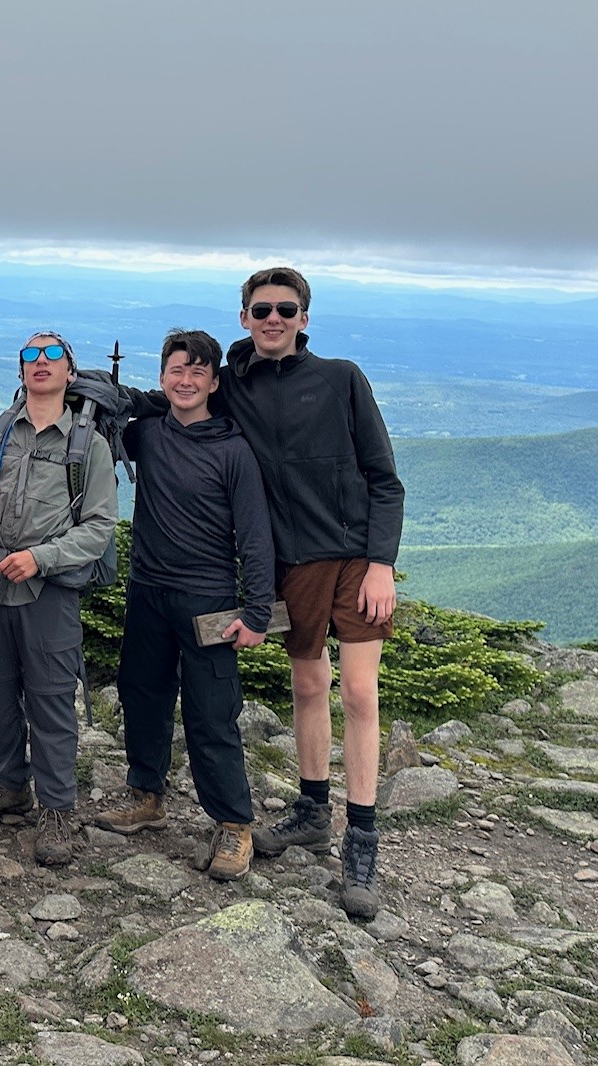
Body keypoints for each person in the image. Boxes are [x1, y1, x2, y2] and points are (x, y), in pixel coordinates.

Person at [217, 267, 404, 918]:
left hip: (353, 556)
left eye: (285, 309)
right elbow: (176, 396)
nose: (273, 318)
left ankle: (361, 841)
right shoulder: (231, 385)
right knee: (306, 685)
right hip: (290, 560)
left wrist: (381, 564)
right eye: (261, 309)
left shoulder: (341, 378)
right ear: (244, 317)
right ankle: (311, 810)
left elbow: (384, 478)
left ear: (303, 318)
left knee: (357, 692)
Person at [94, 330, 274, 881]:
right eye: (177, 369)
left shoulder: (234, 450)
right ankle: (147, 795)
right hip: (148, 588)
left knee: (210, 711)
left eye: (198, 371)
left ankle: (234, 823)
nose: (186, 380)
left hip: (209, 599)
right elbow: (99, 428)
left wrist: (257, 611)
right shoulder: (147, 433)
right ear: (163, 377)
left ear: (215, 383)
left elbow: (255, 535)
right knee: (141, 693)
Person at [0, 331, 117, 866]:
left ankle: (58, 809)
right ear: (20, 371)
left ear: (70, 372)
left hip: (49, 593)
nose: (40, 362)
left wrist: (41, 557)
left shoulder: (88, 446)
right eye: (30, 355)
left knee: (51, 700)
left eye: (52, 355)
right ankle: (9, 785)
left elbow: (99, 526)